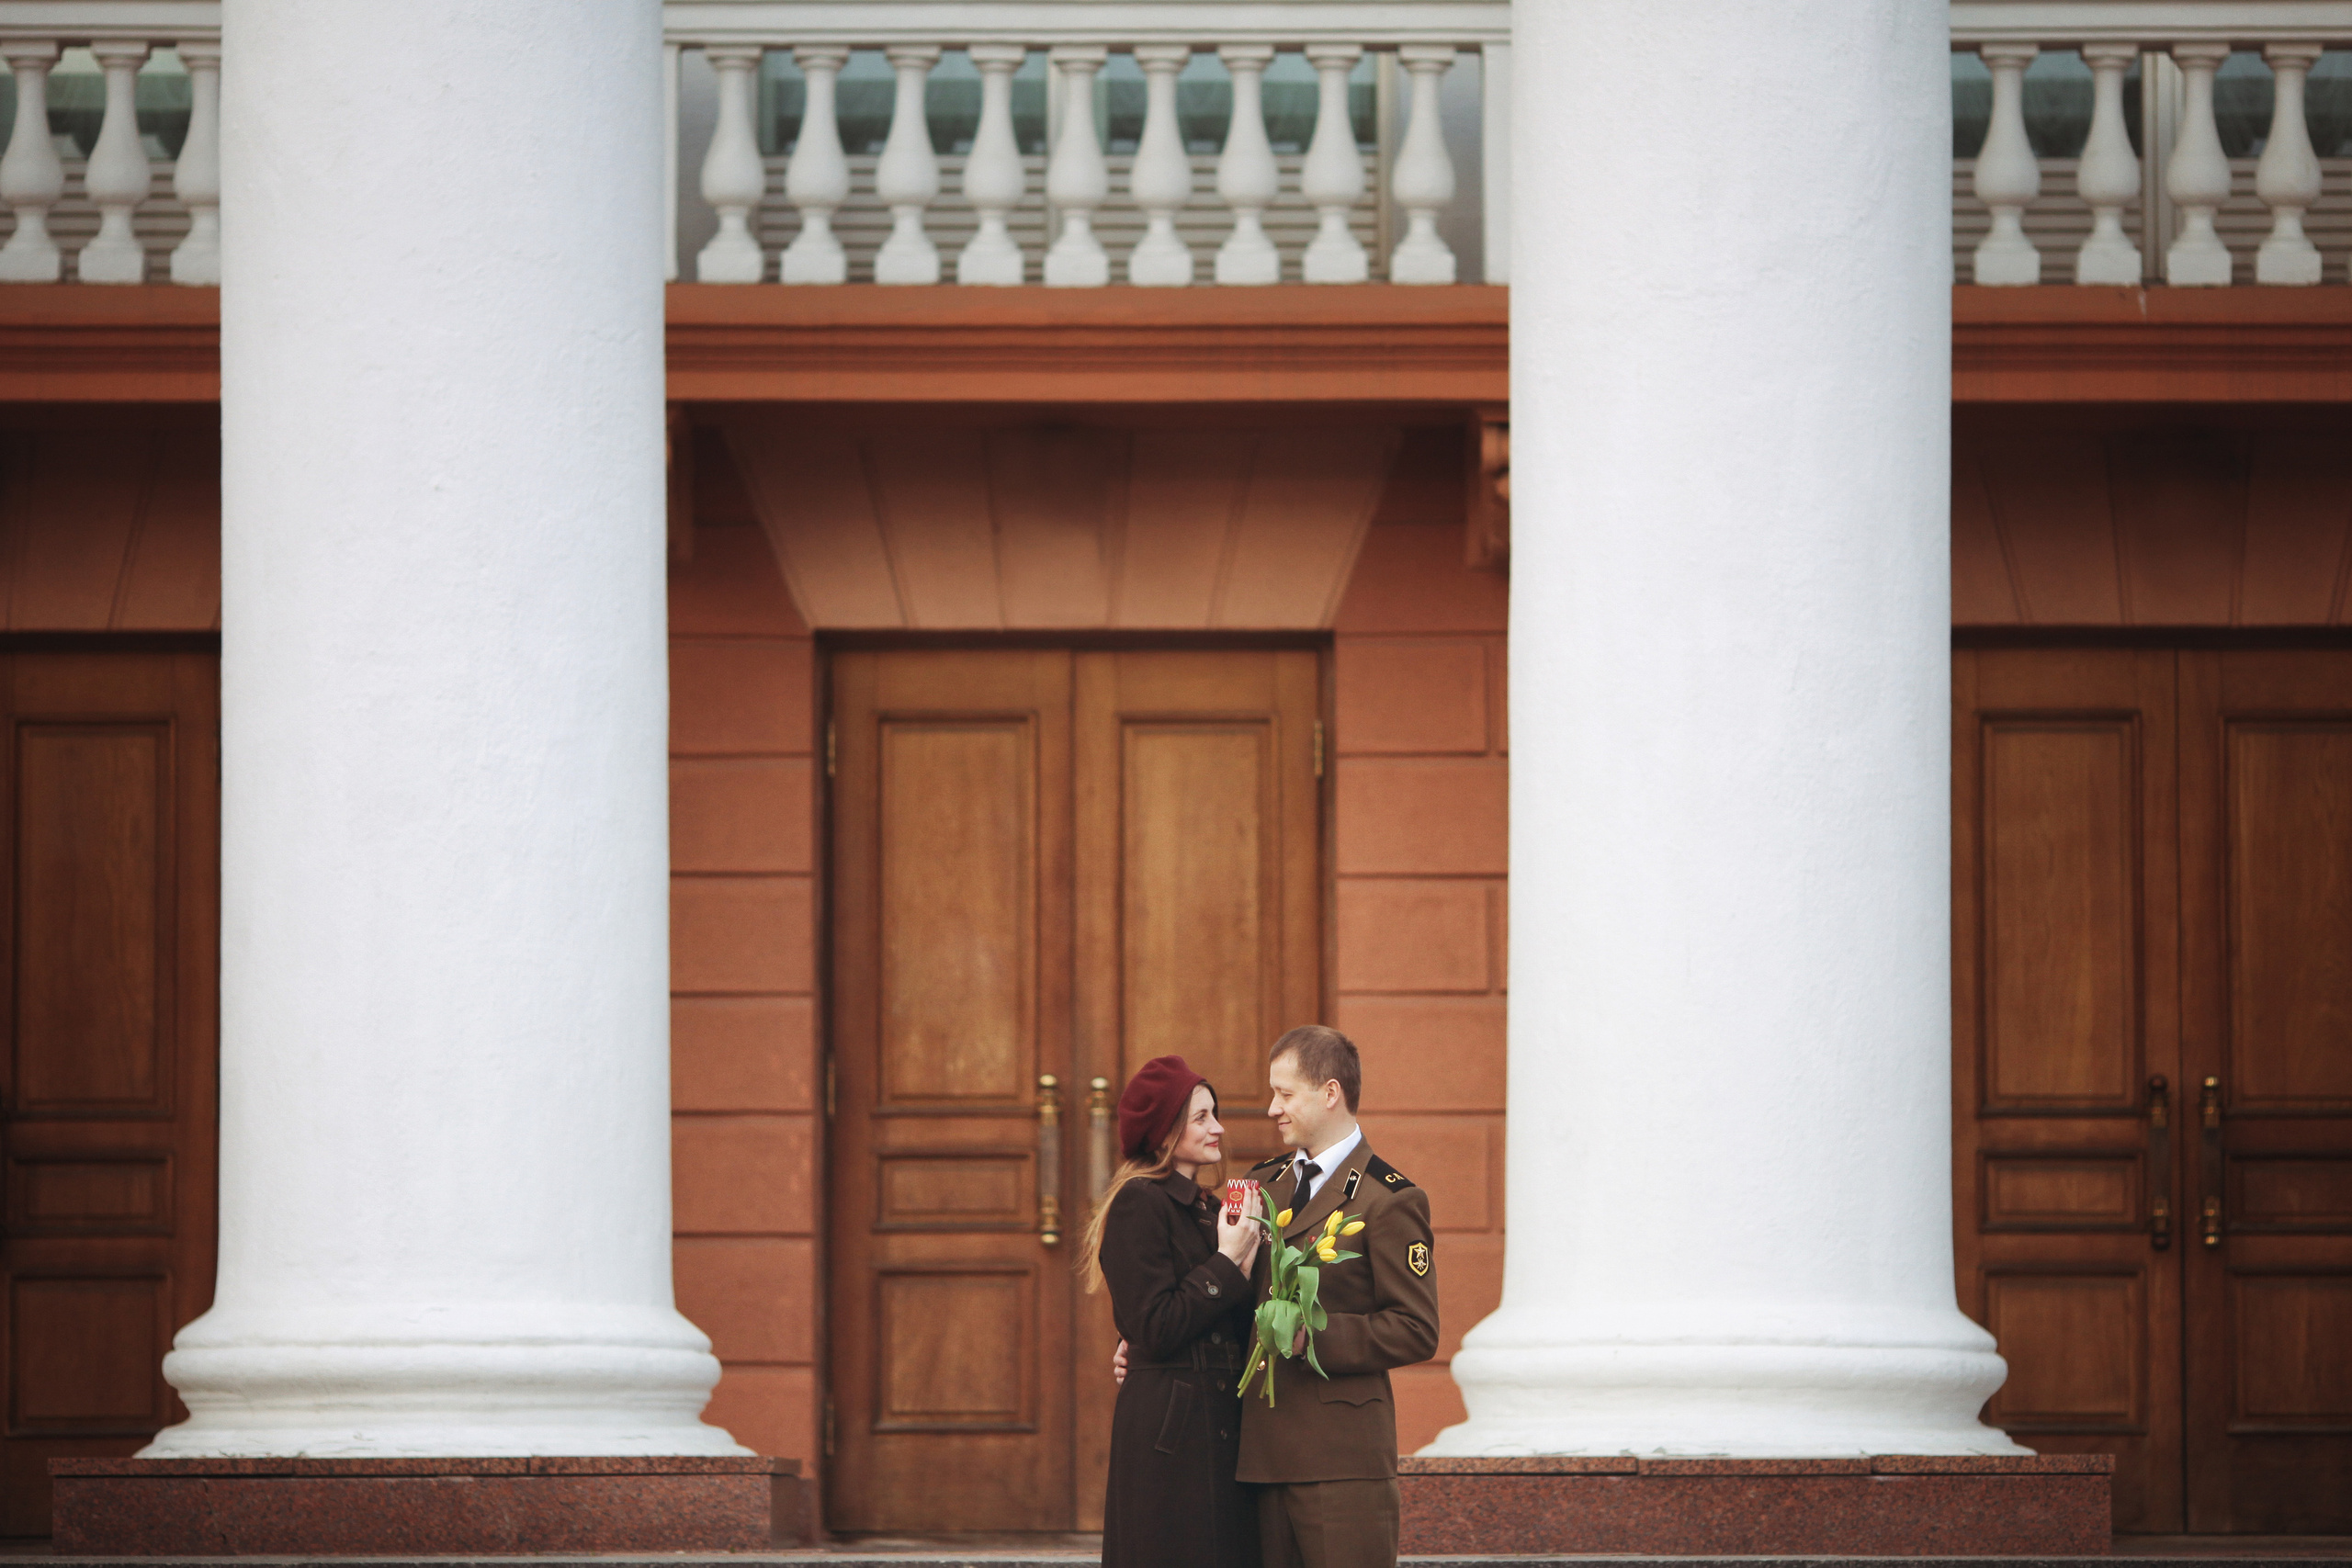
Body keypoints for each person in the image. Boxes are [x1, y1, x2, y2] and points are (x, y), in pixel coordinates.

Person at [1237, 1025, 1438, 1568]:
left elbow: (1416, 1328)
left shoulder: (1389, 1198)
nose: (1272, 1109)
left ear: (1330, 1093)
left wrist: (1312, 1336)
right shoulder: (1263, 1185)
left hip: (1341, 1460)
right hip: (1258, 1456)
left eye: (1285, 1094)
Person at [1083, 1055, 1264, 1568]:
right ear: (1165, 1130)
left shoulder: (1210, 1207)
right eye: (1202, 1117)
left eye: (1215, 1114)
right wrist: (1228, 1260)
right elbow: (1155, 1326)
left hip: (1218, 1424)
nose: (1219, 1128)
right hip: (1173, 1436)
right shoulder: (1138, 1202)